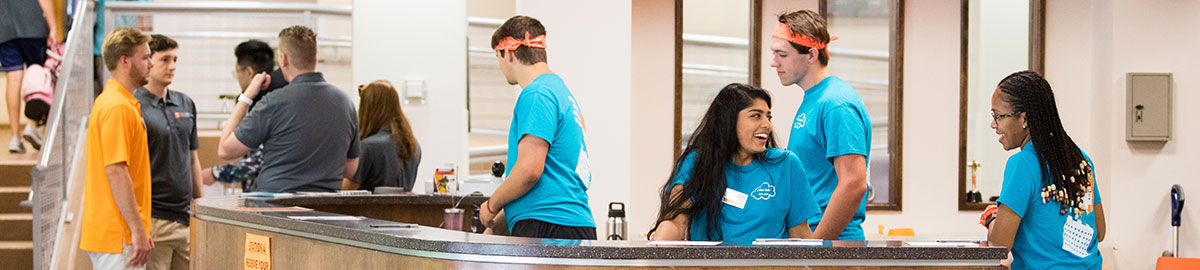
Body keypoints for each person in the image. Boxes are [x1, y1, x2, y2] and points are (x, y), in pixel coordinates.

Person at [648, 83, 820, 243]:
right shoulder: (696, 162)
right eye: (755, 116)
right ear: (728, 121)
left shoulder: (786, 164)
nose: (766, 124)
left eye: (768, 117)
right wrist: (656, 261)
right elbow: (675, 222)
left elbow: (800, 235)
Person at [477, 15, 596, 240]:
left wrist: (492, 204)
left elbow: (529, 171)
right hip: (567, 225)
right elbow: (553, 176)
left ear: (509, 52)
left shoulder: (536, 94)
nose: (501, 67)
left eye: (498, 57)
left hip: (547, 225)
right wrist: (500, 220)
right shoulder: (563, 94)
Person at [982, 71, 1105, 269]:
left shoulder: (1023, 164)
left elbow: (999, 245)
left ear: (1024, 118)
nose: (993, 124)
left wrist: (992, 218)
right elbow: (1100, 231)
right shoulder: (1080, 159)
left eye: (998, 116)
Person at [217, 25, 360, 193]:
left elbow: (225, 150)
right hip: (327, 208)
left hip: (277, 208)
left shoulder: (274, 102)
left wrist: (246, 96)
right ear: (315, 57)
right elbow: (351, 169)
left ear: (283, 59)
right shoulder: (345, 103)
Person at [770, 10, 871, 240]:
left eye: (782, 54)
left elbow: (854, 184)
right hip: (811, 239)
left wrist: (815, 249)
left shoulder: (835, 104)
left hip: (833, 246)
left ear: (812, 54)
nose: (773, 62)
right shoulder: (814, 100)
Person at [81, 27, 154, 270]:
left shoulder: (116, 102)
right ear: (124, 61)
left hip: (118, 235)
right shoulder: (118, 107)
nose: (151, 64)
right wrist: (136, 231)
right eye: (145, 57)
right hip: (119, 236)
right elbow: (116, 170)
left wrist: (140, 229)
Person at [133, 34, 201, 270]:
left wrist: (199, 207)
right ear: (149, 62)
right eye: (164, 60)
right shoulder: (134, 105)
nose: (172, 67)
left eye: (175, 60)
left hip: (185, 219)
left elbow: (192, 159)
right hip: (154, 220)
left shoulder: (185, 104)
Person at [200, 39, 287, 192]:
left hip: (266, 197)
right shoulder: (283, 96)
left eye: (237, 72)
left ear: (248, 72)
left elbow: (257, 161)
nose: (238, 78)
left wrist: (215, 173)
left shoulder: (263, 107)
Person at [341, 80, 421, 192]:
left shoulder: (368, 146)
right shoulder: (413, 145)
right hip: (403, 209)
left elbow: (347, 188)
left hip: (370, 209)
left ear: (368, 109)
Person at [2, 0, 58, 153]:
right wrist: (53, 26)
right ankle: (32, 125)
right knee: (37, 71)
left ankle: (15, 137)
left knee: (13, 75)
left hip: (4, 25)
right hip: (31, 23)